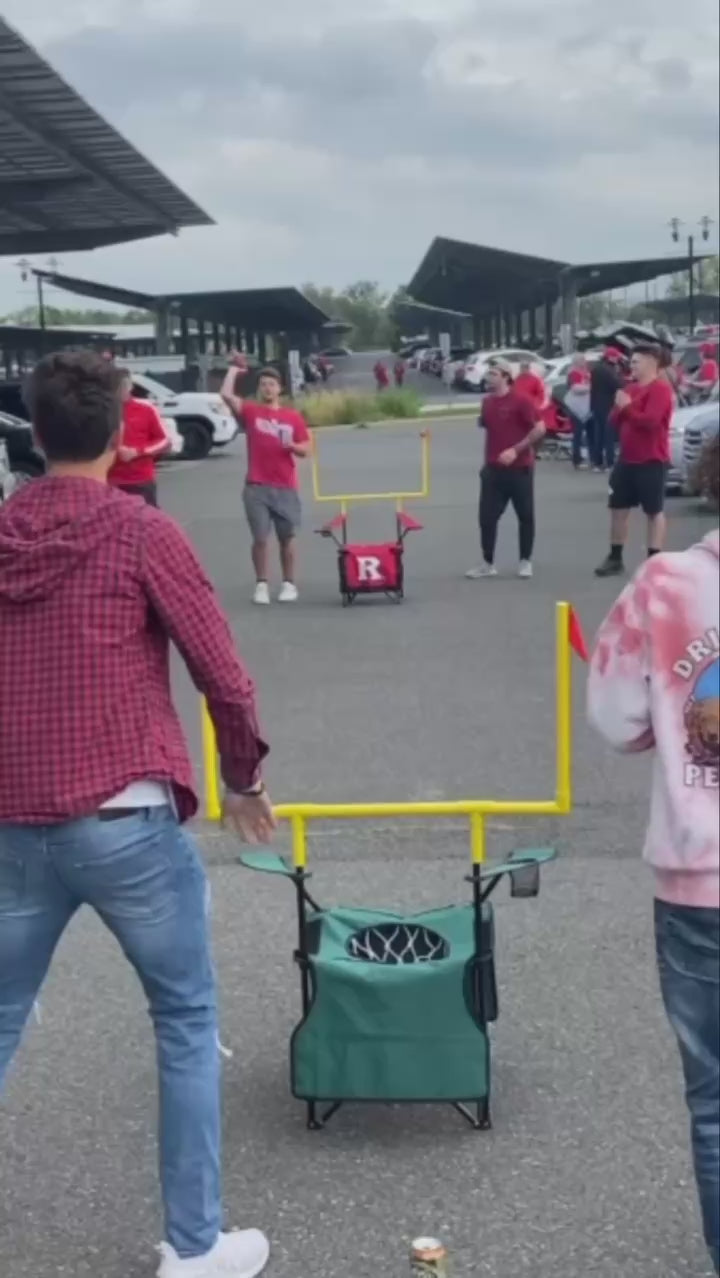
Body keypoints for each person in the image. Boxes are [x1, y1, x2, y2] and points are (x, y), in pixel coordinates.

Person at [0, 351, 274, 1278]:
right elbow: (222, 673)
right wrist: (242, 777)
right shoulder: (140, 531)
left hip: (11, 820)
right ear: (123, 435)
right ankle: (195, 1245)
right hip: (126, 814)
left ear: (34, 434)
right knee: (185, 1020)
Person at [587, 434, 720, 1275]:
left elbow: (615, 717)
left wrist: (669, 729)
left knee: (715, 1102)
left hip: (700, 878)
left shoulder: (667, 584)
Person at [220, 354, 312, 606]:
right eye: (263, 385)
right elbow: (226, 395)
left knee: (287, 538)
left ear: (280, 388)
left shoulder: (292, 417)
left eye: (271, 384)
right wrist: (234, 369)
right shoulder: (252, 412)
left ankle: (289, 583)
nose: (267, 388)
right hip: (256, 487)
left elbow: (306, 448)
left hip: (285, 486)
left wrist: (293, 446)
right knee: (260, 538)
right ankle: (261, 584)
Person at [595, 343, 673, 578]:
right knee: (617, 507)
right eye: (632, 361)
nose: (632, 366)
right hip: (627, 459)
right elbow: (613, 420)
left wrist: (627, 408)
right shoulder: (630, 388)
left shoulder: (660, 390)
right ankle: (615, 557)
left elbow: (650, 422)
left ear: (652, 363)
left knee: (653, 511)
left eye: (636, 361)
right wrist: (621, 408)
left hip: (652, 459)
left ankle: (653, 560)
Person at [465, 358, 545, 580]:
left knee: (525, 516)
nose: (488, 377)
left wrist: (516, 450)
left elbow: (540, 428)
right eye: (488, 373)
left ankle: (525, 561)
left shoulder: (522, 400)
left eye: (493, 373)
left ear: (506, 377)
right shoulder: (487, 402)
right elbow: (487, 424)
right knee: (486, 518)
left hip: (520, 469)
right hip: (493, 469)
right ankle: (487, 563)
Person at [108, 369, 171, 505]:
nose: (121, 390)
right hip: (110, 481)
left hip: (140, 480)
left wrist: (137, 452)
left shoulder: (146, 409)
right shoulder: (103, 411)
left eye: (124, 385)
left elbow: (164, 440)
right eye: (117, 386)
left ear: (130, 386)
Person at [590, 346, 625, 472]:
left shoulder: (595, 369)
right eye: (616, 357)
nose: (617, 360)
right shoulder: (610, 370)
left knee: (598, 435)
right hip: (608, 405)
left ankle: (597, 463)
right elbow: (618, 385)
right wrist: (620, 375)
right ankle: (609, 463)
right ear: (610, 357)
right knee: (609, 435)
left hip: (596, 405)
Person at [565, 352, 593, 469]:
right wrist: (590, 387)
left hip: (586, 407)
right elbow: (575, 388)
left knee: (590, 433)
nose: (584, 362)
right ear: (577, 362)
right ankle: (577, 460)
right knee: (577, 434)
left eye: (584, 360)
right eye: (582, 360)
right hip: (576, 408)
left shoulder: (586, 372)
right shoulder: (573, 373)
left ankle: (591, 457)